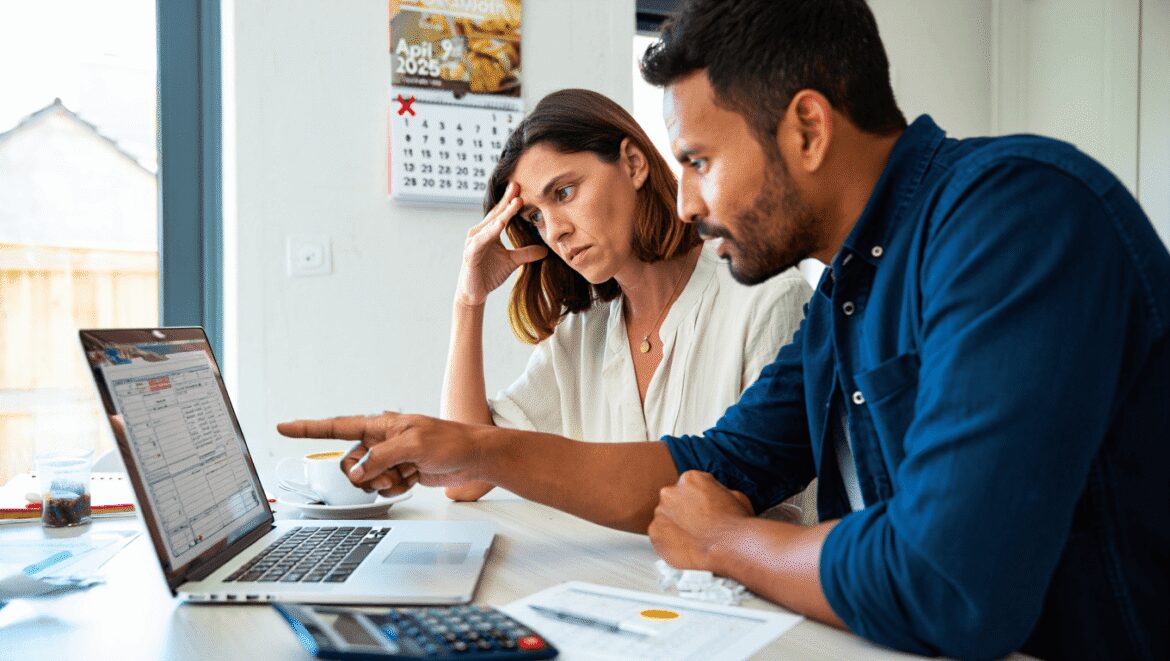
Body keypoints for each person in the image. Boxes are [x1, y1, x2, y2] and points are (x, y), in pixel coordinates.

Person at [279, 1, 1170, 658]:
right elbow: (710, 462)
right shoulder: (848, 290)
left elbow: (948, 579)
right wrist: (472, 447)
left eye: (700, 161)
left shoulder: (1015, 214)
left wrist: (728, 540)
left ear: (808, 128)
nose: (691, 198)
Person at [439, 88, 814, 513]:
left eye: (564, 193)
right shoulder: (581, 333)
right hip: (603, 578)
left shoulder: (766, 298)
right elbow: (464, 477)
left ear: (633, 164)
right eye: (536, 217)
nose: (555, 230)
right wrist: (468, 302)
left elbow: (774, 508)